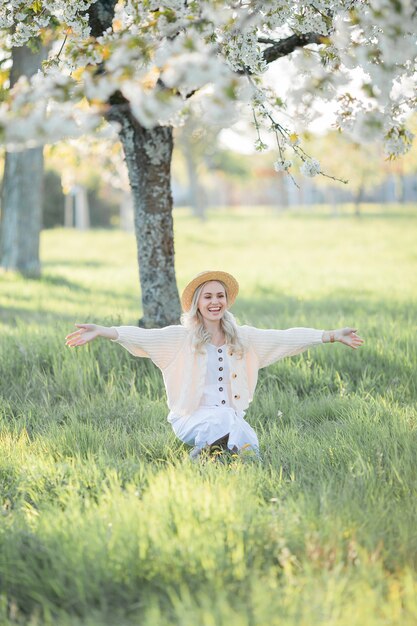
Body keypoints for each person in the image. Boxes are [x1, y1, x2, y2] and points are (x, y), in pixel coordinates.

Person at [65, 270, 364, 460]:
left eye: (219, 296)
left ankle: (214, 458)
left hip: (228, 417)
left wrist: (329, 336)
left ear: (226, 302)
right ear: (197, 302)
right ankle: (200, 455)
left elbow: (284, 338)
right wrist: (105, 331)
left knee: (249, 444)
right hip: (190, 418)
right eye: (207, 296)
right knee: (222, 421)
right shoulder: (180, 339)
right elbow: (142, 336)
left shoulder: (242, 339)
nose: (214, 302)